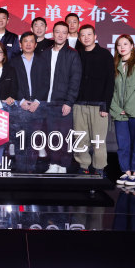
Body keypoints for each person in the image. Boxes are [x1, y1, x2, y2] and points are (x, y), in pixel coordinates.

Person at [73, 24, 115, 177]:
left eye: (89, 34)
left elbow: (110, 82)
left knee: (98, 139)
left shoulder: (105, 55)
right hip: (79, 104)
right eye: (83, 35)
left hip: (99, 105)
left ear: (95, 36)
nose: (86, 38)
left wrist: (106, 106)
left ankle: (99, 167)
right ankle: (83, 165)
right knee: (80, 138)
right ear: (79, 38)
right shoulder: (77, 54)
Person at [40, 21, 81, 173]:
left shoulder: (72, 54)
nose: (60, 35)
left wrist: (69, 102)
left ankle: (63, 165)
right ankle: (53, 163)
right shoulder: (45, 53)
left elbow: (75, 80)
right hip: (47, 102)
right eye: (58, 32)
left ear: (68, 35)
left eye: (64, 32)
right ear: (53, 33)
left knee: (64, 135)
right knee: (51, 135)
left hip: (63, 102)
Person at [110, 34, 135, 187]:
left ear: (132, 46)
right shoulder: (115, 66)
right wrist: (116, 109)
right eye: (119, 45)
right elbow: (111, 91)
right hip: (119, 113)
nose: (122, 47)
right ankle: (126, 172)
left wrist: (127, 109)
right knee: (123, 145)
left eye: (125, 44)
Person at [10, 32, 49, 173]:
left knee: (34, 140)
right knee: (20, 140)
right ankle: (20, 171)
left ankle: (31, 171)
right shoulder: (13, 62)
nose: (28, 44)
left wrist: (37, 101)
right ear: (20, 44)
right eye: (25, 41)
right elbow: (11, 83)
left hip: (37, 106)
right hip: (20, 106)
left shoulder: (42, 61)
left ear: (35, 44)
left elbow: (46, 83)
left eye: (31, 41)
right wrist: (20, 100)